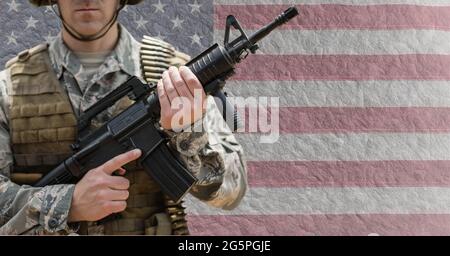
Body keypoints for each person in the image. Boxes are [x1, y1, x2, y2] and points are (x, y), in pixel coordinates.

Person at [0, 0, 247, 235]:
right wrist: (66, 204)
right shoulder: (9, 88)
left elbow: (231, 191)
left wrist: (189, 133)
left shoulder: (175, 77)